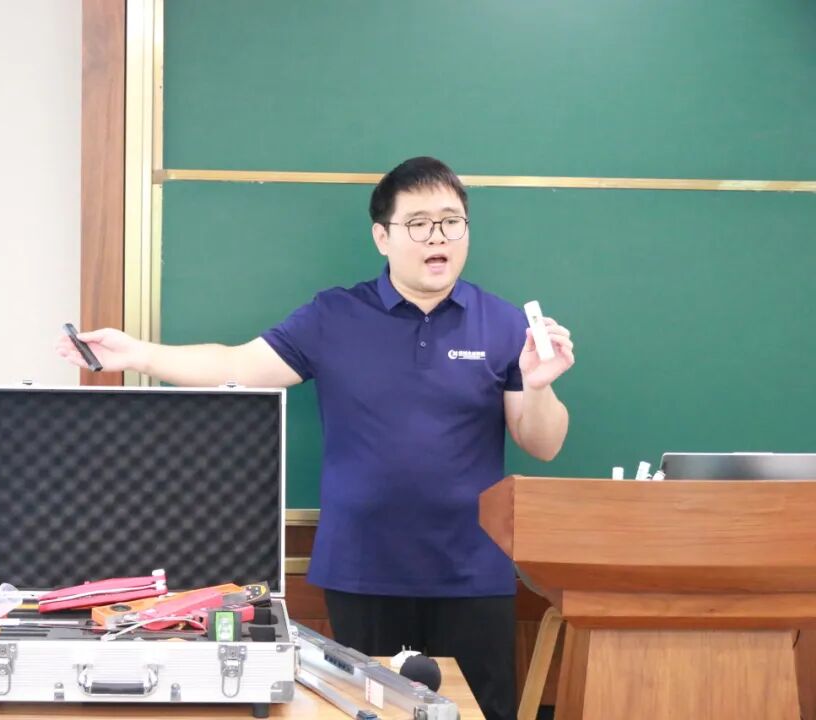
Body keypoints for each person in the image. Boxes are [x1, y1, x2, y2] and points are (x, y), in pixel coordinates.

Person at [55, 156, 574, 720]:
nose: (437, 237)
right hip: (362, 568)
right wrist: (137, 354)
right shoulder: (334, 315)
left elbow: (543, 443)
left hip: (473, 571)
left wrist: (539, 384)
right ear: (382, 237)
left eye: (451, 222)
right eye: (419, 223)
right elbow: (237, 365)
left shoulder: (505, 324)